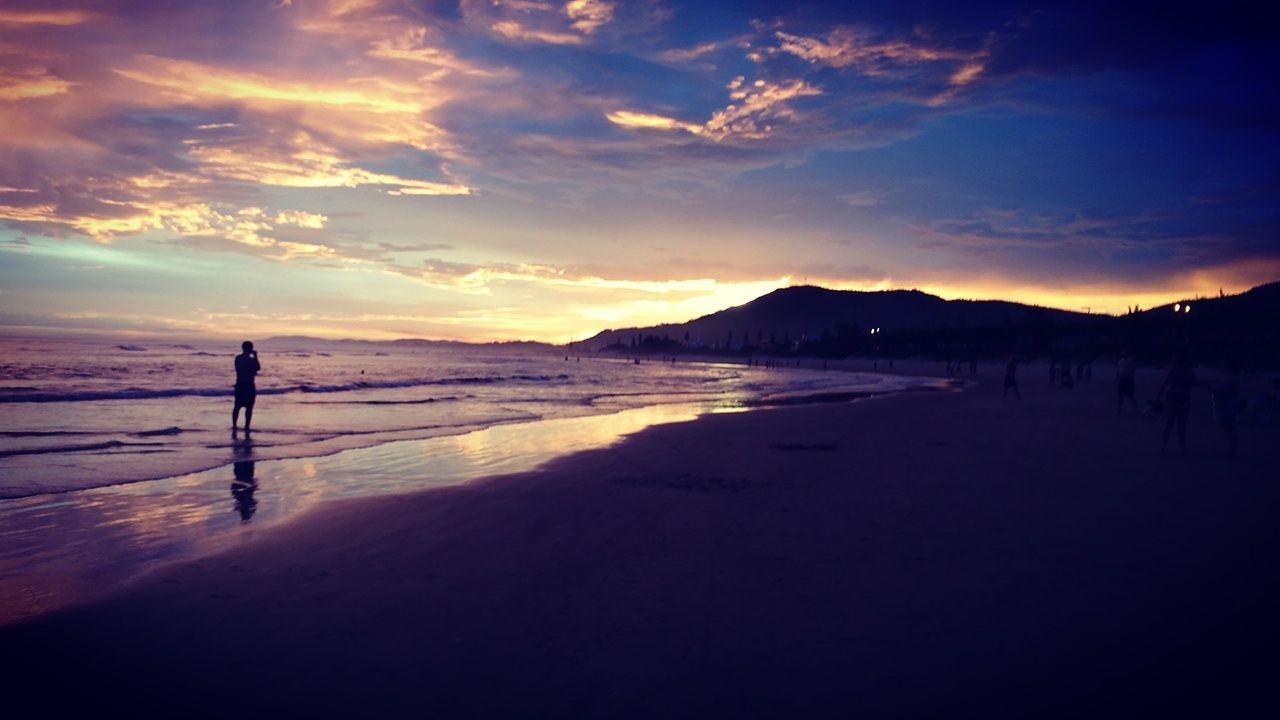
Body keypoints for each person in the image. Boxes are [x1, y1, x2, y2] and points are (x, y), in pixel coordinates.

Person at [1158, 351, 1197, 453]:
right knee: (1173, 424)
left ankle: (1171, 446)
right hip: (1176, 399)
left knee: (1175, 424)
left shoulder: (1182, 370)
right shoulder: (1175, 369)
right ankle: (1168, 446)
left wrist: (1159, 395)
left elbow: (1165, 383)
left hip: (1178, 399)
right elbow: (1166, 382)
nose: (1172, 360)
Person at [1211, 357, 1241, 457]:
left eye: (1224, 364)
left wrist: (1209, 388)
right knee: (1228, 427)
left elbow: (1222, 390)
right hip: (1226, 405)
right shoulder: (1228, 376)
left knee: (1228, 427)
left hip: (1227, 405)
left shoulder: (1231, 377)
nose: (1222, 366)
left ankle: (1231, 450)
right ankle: (1231, 450)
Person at [233, 341, 261, 433]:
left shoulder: (238, 358)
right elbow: (258, 368)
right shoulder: (250, 360)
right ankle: (246, 427)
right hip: (248, 385)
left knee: (237, 406)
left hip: (240, 384)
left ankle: (235, 426)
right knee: (248, 407)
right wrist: (256, 357)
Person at [1116, 349, 1138, 414]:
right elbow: (1119, 370)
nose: (1124, 354)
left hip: (1129, 380)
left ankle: (1136, 410)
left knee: (1130, 396)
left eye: (1125, 353)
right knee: (1120, 395)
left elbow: (1133, 371)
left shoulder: (1131, 361)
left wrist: (1129, 378)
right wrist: (1117, 378)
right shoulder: (1120, 361)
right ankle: (1119, 410)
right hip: (1122, 379)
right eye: (1123, 353)